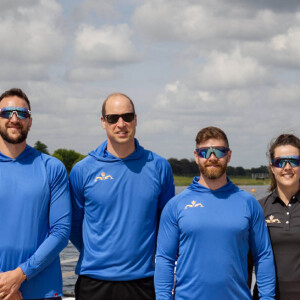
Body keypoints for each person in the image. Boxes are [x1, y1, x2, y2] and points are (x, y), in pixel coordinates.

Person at [70, 93, 175, 300]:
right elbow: (73, 224)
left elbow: (167, 225)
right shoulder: (82, 170)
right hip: (94, 281)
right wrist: (98, 252)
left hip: (143, 281)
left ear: (135, 119)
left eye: (127, 117)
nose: (121, 124)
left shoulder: (159, 166)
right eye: (113, 118)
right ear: (103, 122)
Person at [154, 126, 276, 300]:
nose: (212, 158)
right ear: (196, 156)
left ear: (229, 155)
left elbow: (263, 256)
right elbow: (165, 259)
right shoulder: (176, 205)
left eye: (219, 152)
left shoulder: (249, 204)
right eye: (205, 152)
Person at [0, 88, 71, 300]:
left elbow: (61, 231)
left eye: (21, 113)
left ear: (30, 121)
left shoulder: (52, 168)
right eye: (6, 112)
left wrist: (20, 275)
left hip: (43, 291)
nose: (14, 119)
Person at [252, 134, 300, 300]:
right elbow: (246, 261)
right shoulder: (258, 208)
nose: (287, 167)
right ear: (272, 167)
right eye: (280, 162)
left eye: (293, 161)